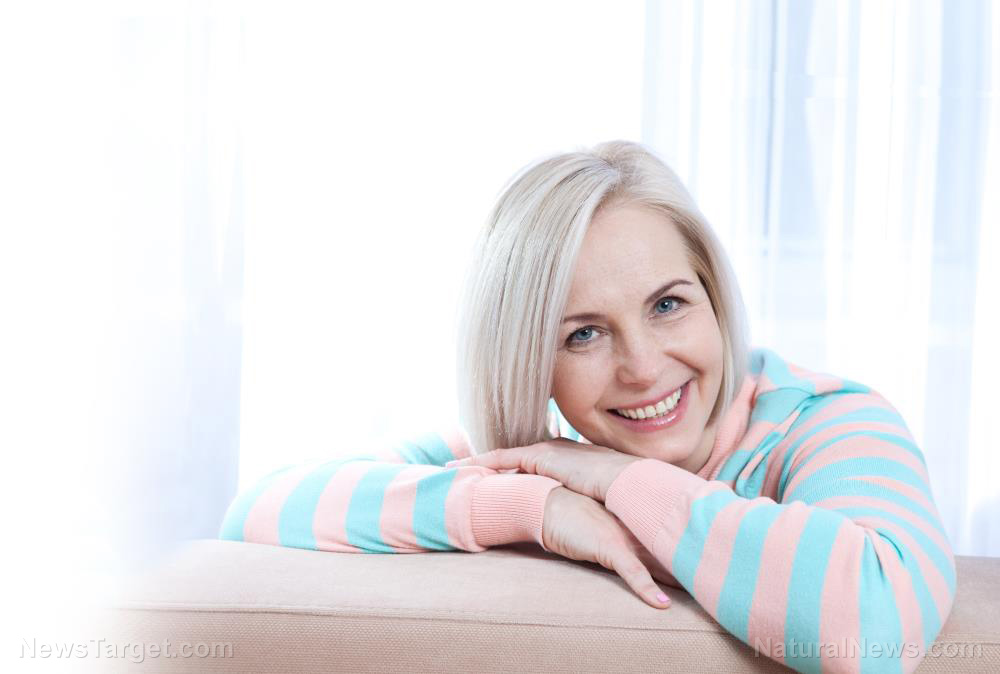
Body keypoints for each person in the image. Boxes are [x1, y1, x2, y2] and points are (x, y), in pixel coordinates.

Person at [220, 140, 955, 672]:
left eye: (667, 304)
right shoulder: (541, 451)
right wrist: (536, 508)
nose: (643, 367)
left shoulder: (828, 419)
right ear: (530, 365)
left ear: (714, 298)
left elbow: (875, 623)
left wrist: (619, 480)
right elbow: (261, 510)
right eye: (584, 334)